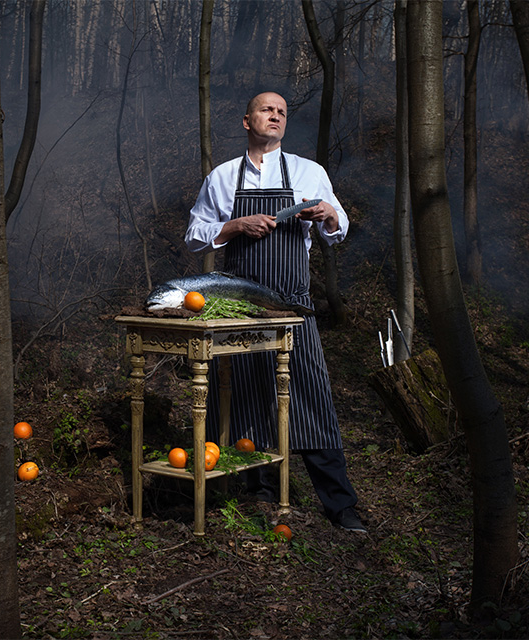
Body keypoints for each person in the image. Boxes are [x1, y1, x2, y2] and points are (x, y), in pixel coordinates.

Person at [185, 91, 366, 533]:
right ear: (247, 120)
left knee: (312, 399)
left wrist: (327, 216)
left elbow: (339, 228)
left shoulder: (309, 172)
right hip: (240, 308)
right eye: (268, 110)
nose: (276, 116)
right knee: (245, 396)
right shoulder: (223, 177)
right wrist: (235, 225)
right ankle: (258, 491)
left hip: (293, 306)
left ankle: (341, 507)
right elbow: (194, 235)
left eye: (282, 112)